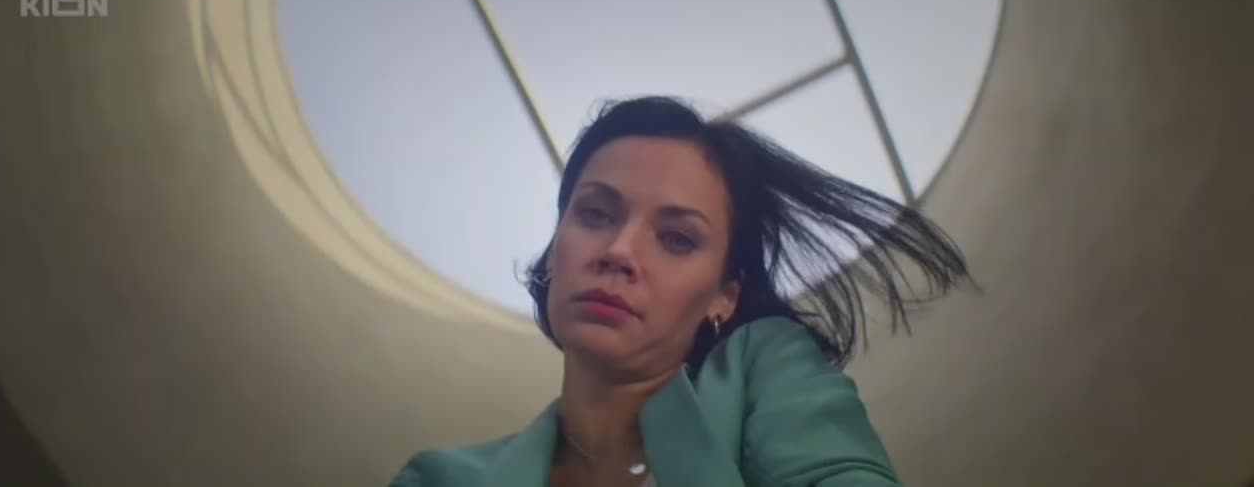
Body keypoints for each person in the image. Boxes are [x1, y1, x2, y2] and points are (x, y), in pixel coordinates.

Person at [391, 96, 970, 486]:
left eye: (676, 239)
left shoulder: (761, 370)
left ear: (725, 296)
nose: (619, 251)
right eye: (595, 214)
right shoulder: (439, 478)